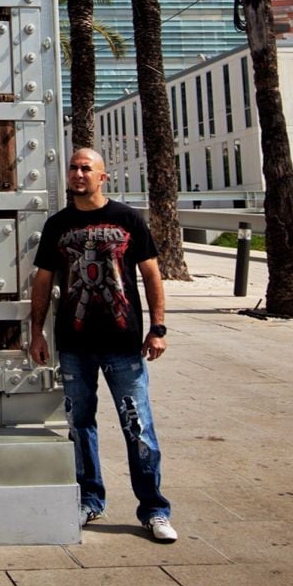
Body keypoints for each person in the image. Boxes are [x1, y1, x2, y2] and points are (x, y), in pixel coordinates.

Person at [28, 148, 175, 541]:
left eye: (86, 168)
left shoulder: (128, 219)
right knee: (80, 426)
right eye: (74, 168)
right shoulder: (58, 224)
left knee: (138, 426)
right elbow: (42, 281)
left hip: (123, 344)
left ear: (102, 177)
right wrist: (36, 332)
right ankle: (89, 501)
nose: (78, 174)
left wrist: (158, 328)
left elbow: (151, 275)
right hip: (74, 344)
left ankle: (154, 509)